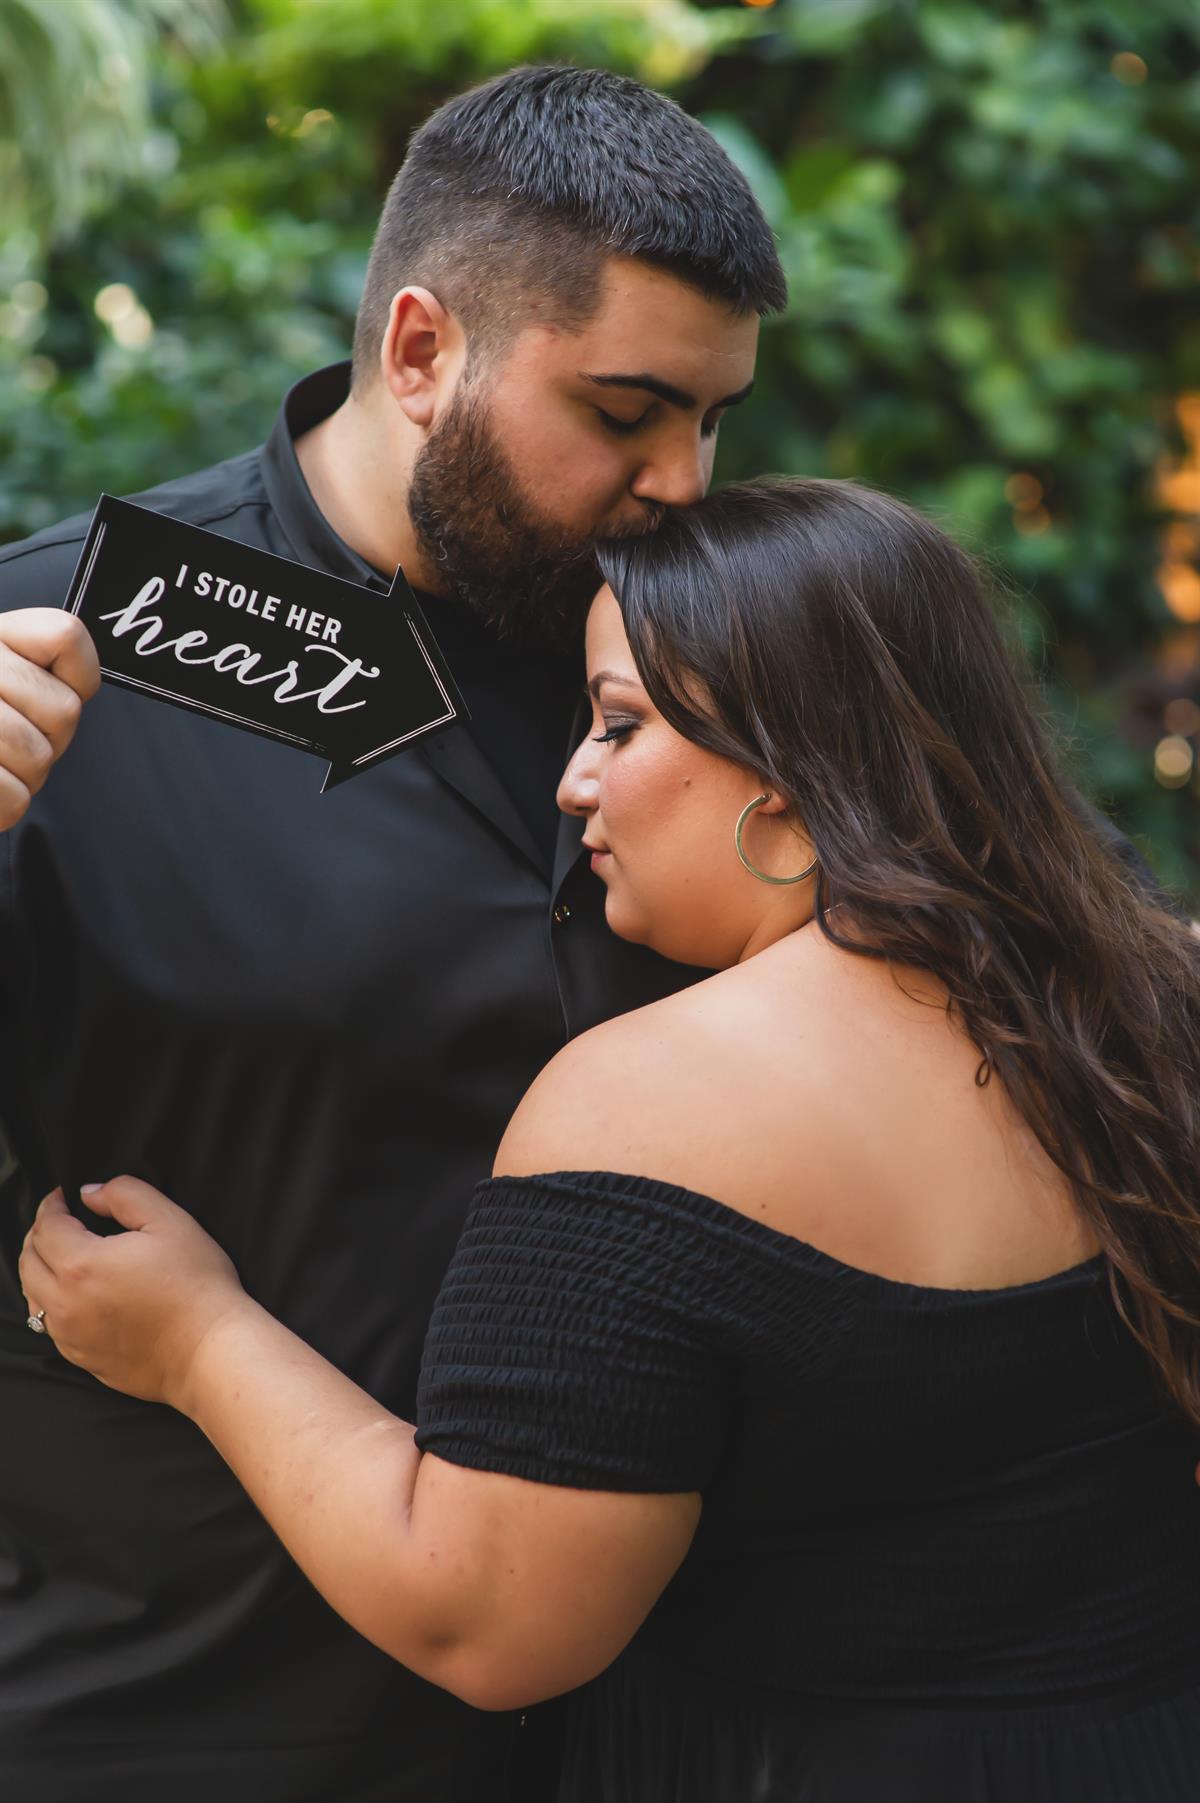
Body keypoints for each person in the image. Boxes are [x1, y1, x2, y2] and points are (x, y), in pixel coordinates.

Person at [20, 476, 1200, 1801]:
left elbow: (488, 1618)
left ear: (786, 772)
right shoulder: (1149, 1008)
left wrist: (195, 1340)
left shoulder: (654, 1102)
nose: (574, 784)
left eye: (620, 724)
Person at [0, 66, 785, 1803]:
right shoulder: (53, 651)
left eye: (714, 421)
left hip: (678, 1720)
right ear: (420, 350)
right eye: (628, 411)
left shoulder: (733, 653)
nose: (682, 481)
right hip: (178, 1720)